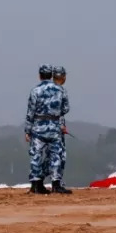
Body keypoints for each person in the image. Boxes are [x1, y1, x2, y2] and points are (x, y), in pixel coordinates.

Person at [25, 64, 70, 195]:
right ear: (51, 75)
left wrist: (27, 130)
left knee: (36, 155)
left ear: (40, 76)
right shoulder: (60, 90)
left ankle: (36, 185)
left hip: (38, 126)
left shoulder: (35, 91)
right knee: (56, 155)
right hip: (54, 126)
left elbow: (30, 112)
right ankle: (56, 184)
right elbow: (66, 108)